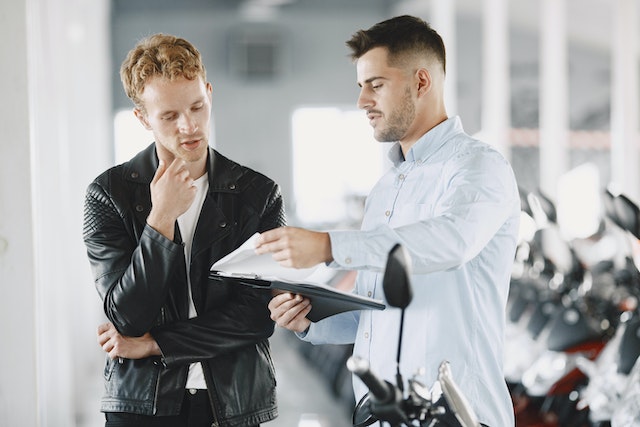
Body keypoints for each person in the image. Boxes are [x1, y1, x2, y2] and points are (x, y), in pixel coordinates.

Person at [255, 15, 519, 427]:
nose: (362, 101)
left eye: (375, 85)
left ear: (421, 82)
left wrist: (329, 246)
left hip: (453, 410)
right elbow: (375, 314)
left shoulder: (478, 167)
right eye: (361, 87)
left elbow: (450, 243)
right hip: (381, 410)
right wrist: (309, 322)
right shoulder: (386, 189)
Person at [83, 33, 284, 427]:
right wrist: (160, 220)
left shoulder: (257, 194)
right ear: (142, 118)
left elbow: (257, 314)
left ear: (209, 92)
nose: (189, 126)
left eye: (197, 106)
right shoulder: (108, 195)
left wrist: (156, 343)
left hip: (234, 400)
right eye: (169, 116)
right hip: (143, 403)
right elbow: (126, 318)